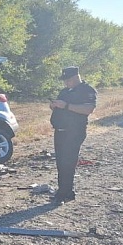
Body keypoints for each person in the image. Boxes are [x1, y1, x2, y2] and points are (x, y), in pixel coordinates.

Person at [49, 66, 96, 203]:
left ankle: (66, 192)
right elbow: (59, 105)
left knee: (68, 162)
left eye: (67, 80)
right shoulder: (64, 91)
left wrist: (66, 106)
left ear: (76, 78)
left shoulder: (87, 90)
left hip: (74, 131)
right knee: (60, 162)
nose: (65, 83)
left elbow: (88, 109)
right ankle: (62, 190)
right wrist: (54, 105)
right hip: (60, 130)